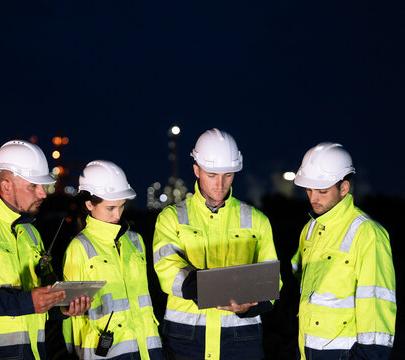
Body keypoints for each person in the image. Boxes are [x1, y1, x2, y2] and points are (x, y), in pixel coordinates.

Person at [0, 140, 92, 359]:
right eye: (33, 185)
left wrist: (61, 308)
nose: (43, 193)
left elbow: (39, 298)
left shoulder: (31, 234)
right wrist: (27, 302)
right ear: (6, 186)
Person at [153, 128, 280, 360]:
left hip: (241, 337)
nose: (220, 184)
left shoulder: (257, 220)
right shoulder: (172, 218)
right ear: (196, 170)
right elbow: (166, 270)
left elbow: (272, 280)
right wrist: (212, 289)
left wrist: (249, 307)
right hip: (186, 338)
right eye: (212, 175)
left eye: (228, 175)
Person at [291, 142, 396, 360]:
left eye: (322, 191)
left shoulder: (368, 233)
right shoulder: (310, 228)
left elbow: (376, 302)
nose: (313, 198)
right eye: (309, 190)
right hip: (307, 348)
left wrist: (369, 356)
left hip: (346, 353)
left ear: (344, 188)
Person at [62, 160, 163, 359]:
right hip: (107, 352)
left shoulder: (136, 240)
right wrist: (75, 353)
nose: (117, 215)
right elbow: (73, 316)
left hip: (149, 346)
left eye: (122, 206)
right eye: (110, 208)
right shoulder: (79, 247)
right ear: (89, 204)